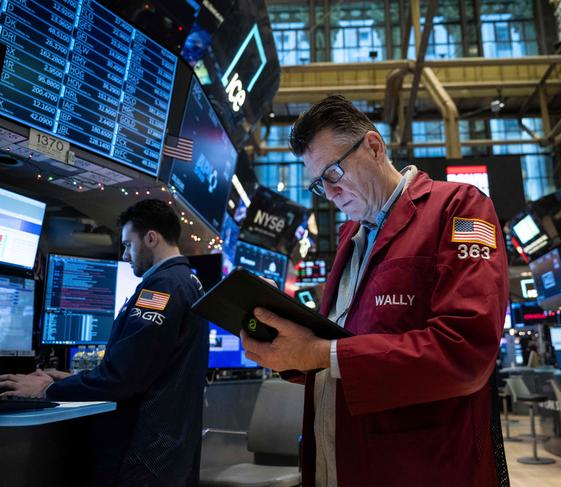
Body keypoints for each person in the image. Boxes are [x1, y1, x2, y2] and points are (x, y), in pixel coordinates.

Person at [240, 95, 509, 486]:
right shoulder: (351, 236)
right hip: (337, 461)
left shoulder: (459, 207)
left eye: (332, 173)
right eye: (318, 185)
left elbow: (466, 349)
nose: (329, 195)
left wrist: (318, 352)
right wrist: (285, 340)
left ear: (374, 147)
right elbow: (341, 347)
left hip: (419, 466)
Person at [0, 199, 209, 487]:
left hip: (145, 452)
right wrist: (76, 377)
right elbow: (148, 367)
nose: (125, 255)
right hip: (168, 449)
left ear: (151, 238)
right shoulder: (187, 282)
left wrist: (47, 388)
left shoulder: (161, 289)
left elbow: (123, 377)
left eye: (127, 245)